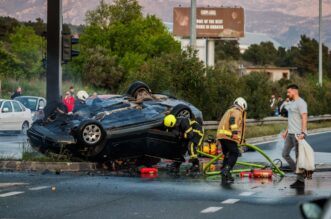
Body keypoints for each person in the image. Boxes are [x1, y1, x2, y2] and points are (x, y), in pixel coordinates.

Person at [282, 84, 308, 188]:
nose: (287, 94)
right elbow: (291, 119)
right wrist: (286, 131)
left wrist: (303, 132)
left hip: (298, 134)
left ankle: (300, 181)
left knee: (298, 158)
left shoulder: (301, 103)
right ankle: (299, 174)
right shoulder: (292, 103)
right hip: (290, 134)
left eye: (289, 92)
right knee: (285, 154)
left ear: (294, 91)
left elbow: (304, 117)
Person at [216, 97, 247, 184]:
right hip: (229, 136)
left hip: (222, 136)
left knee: (228, 155)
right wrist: (234, 133)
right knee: (234, 153)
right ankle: (226, 170)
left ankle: (225, 175)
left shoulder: (230, 110)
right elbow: (233, 120)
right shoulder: (237, 111)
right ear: (242, 105)